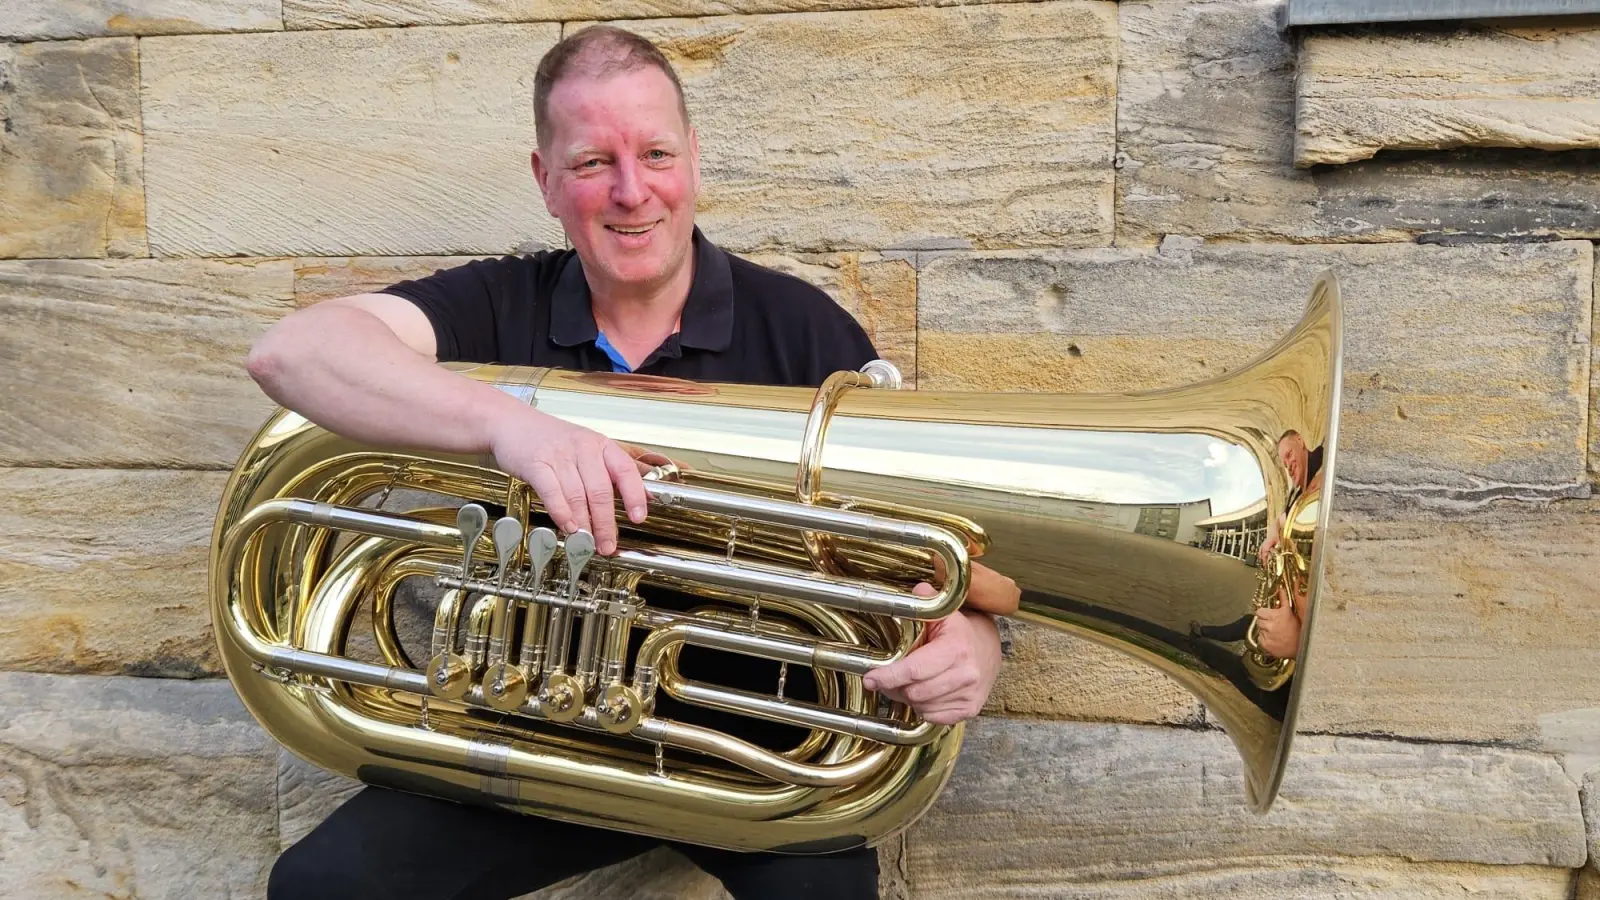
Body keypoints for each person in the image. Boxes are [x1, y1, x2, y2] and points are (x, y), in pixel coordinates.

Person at [247, 25, 1018, 900]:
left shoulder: (805, 333)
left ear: (694, 159)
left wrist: (972, 647)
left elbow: (949, 563)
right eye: (590, 164)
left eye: (655, 153)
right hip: (530, 726)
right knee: (323, 888)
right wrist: (513, 427)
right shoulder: (499, 305)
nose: (630, 191)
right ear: (544, 180)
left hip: (759, 748)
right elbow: (292, 354)